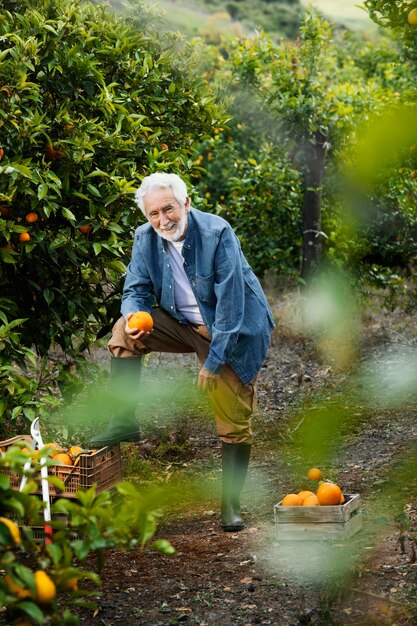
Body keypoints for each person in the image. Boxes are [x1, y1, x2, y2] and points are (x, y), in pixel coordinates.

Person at [91, 172, 275, 531]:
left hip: (231, 332)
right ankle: (124, 421)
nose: (162, 220)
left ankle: (230, 505)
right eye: (153, 214)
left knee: (232, 417)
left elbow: (232, 308)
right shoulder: (146, 239)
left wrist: (213, 362)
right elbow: (134, 289)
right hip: (183, 323)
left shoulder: (217, 234)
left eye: (169, 209)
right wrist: (132, 316)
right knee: (121, 334)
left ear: (186, 204)